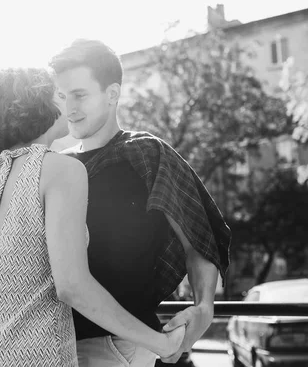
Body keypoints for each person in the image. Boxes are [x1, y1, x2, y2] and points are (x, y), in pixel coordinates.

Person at [0, 67, 186, 367]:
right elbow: (72, 286)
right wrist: (160, 342)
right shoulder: (61, 170)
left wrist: (3, 266)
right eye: (59, 94)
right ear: (38, 104)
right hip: (36, 357)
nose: (68, 104)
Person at [49, 39, 232, 366]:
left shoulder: (146, 154)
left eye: (79, 95)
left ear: (112, 93)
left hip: (119, 346)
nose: (69, 108)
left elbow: (199, 239)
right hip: (50, 342)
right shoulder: (54, 167)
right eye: (62, 97)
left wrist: (205, 306)